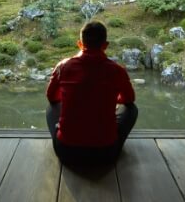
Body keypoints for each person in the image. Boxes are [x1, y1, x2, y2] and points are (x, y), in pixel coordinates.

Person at [46, 21, 138, 165]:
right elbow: (129, 99)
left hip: (66, 152)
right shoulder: (117, 70)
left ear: (80, 44)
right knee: (131, 109)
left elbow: (52, 97)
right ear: (105, 45)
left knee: (51, 107)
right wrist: (111, 99)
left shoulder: (63, 67)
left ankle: (63, 131)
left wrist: (74, 98)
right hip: (106, 154)